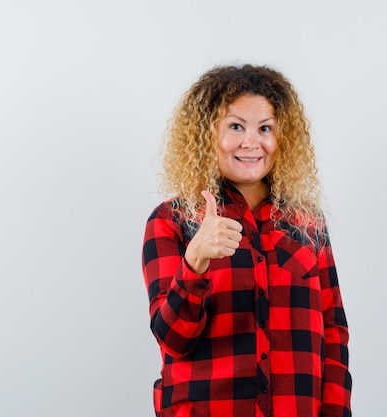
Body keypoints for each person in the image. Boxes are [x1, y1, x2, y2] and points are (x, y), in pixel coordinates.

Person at [142, 64, 351, 417]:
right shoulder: (172, 221)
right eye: (236, 126)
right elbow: (173, 339)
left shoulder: (305, 223)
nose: (252, 142)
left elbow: (333, 334)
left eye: (265, 128)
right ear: (207, 134)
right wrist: (196, 260)